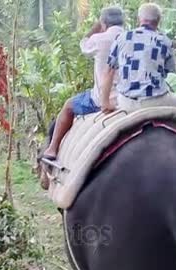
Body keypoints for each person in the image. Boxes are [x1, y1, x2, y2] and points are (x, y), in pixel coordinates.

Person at [100, 2, 176, 123]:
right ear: (159, 21)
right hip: (156, 100)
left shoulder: (122, 38)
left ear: (139, 19)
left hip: (126, 102)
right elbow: (168, 71)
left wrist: (105, 103)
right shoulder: (164, 41)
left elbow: (109, 71)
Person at [41, 6, 125, 160]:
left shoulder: (99, 39)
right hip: (128, 98)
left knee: (68, 106)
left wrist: (94, 30)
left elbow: (84, 46)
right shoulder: (130, 38)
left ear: (104, 23)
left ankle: (52, 149)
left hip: (102, 99)